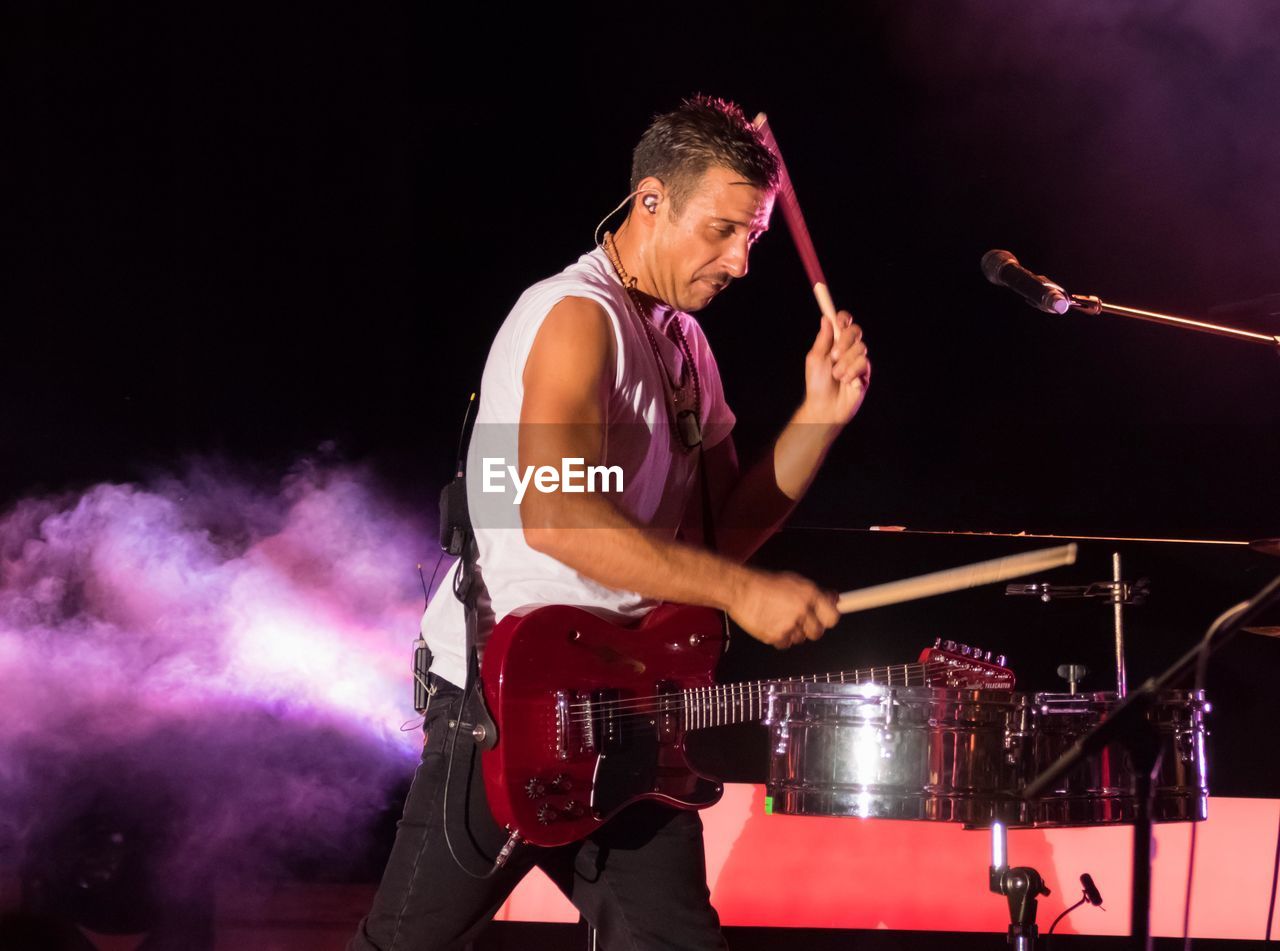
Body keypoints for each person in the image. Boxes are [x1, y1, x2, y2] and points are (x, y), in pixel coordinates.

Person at [349, 94, 871, 951]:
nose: (740, 261)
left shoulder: (684, 346)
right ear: (652, 201)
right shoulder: (574, 318)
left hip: (625, 707)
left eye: (757, 238)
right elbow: (557, 518)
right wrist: (739, 592)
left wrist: (819, 418)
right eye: (724, 229)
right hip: (509, 696)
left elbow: (718, 539)